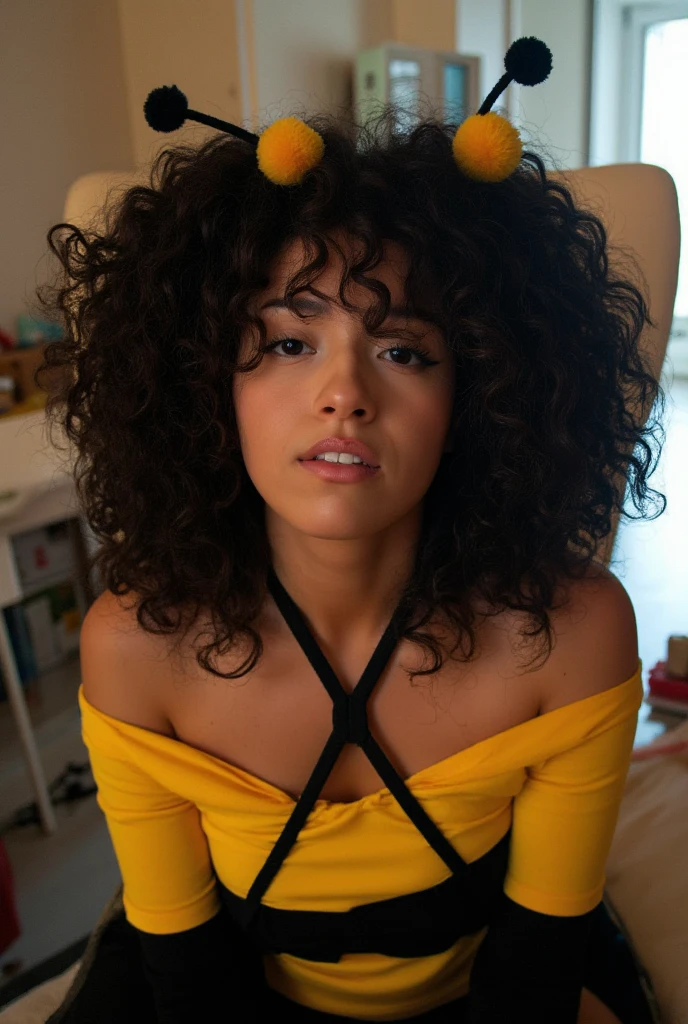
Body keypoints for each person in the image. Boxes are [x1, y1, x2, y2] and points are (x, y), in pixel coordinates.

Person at [36, 37, 663, 1024]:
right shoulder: (135, 648)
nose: (342, 394)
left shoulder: (570, 633)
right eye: (289, 340)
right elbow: (190, 981)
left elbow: (532, 976)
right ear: (209, 382)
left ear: (480, 391)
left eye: (404, 349)